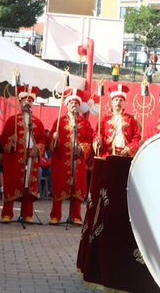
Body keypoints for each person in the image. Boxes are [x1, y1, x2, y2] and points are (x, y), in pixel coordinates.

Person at [0, 86, 47, 223]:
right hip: (15, 158)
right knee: (12, 183)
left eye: (30, 100)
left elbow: (43, 139)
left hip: (31, 158)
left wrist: (37, 148)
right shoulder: (11, 120)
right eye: (25, 100)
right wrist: (10, 140)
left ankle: (27, 214)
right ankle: (7, 213)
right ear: (20, 102)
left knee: (28, 186)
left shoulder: (37, 122)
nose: (28, 103)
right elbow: (3, 138)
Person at [49, 88, 94, 225]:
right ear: (67, 105)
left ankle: (75, 216)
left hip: (78, 160)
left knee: (77, 188)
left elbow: (89, 139)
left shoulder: (84, 123)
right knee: (59, 186)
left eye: (76, 102)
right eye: (71, 102)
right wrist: (54, 139)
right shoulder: (59, 121)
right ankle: (55, 216)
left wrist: (82, 148)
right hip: (62, 160)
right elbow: (51, 142)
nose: (73, 105)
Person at [94, 84, 141, 158]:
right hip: (108, 154)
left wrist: (129, 148)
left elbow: (137, 137)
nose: (118, 102)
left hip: (124, 154)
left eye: (120, 100)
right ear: (112, 102)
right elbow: (97, 133)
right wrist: (97, 141)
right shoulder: (104, 119)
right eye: (116, 100)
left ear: (124, 103)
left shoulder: (130, 119)